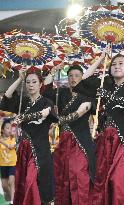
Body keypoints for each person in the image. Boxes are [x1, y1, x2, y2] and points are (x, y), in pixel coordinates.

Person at [74, 53, 124, 205]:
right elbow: (83, 80)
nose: (117, 66)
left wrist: (108, 95)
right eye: (113, 64)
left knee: (119, 181)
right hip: (105, 141)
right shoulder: (105, 84)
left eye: (121, 63)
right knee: (102, 183)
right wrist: (101, 58)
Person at [0, 69, 58, 205]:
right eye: (28, 82)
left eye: (34, 82)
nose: (30, 85)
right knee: (23, 184)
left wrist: (23, 117)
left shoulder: (46, 102)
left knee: (33, 182)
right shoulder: (22, 102)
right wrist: (19, 79)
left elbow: (45, 113)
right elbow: (7, 97)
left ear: (40, 84)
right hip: (23, 151)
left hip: (40, 150)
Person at [43, 64, 96, 205]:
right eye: (70, 75)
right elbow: (45, 90)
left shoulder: (87, 95)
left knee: (79, 175)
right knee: (62, 177)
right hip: (63, 142)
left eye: (77, 76)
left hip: (81, 142)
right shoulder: (61, 93)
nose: (73, 78)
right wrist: (53, 71)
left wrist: (59, 119)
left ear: (82, 78)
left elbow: (81, 112)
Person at [0, 119, 16, 205]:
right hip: (3, 165)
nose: (9, 130)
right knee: (4, 186)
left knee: (11, 182)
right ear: (2, 130)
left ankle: (13, 201)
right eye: (7, 128)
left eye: (10, 128)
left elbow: (11, 146)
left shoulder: (13, 138)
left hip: (12, 164)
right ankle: (11, 198)